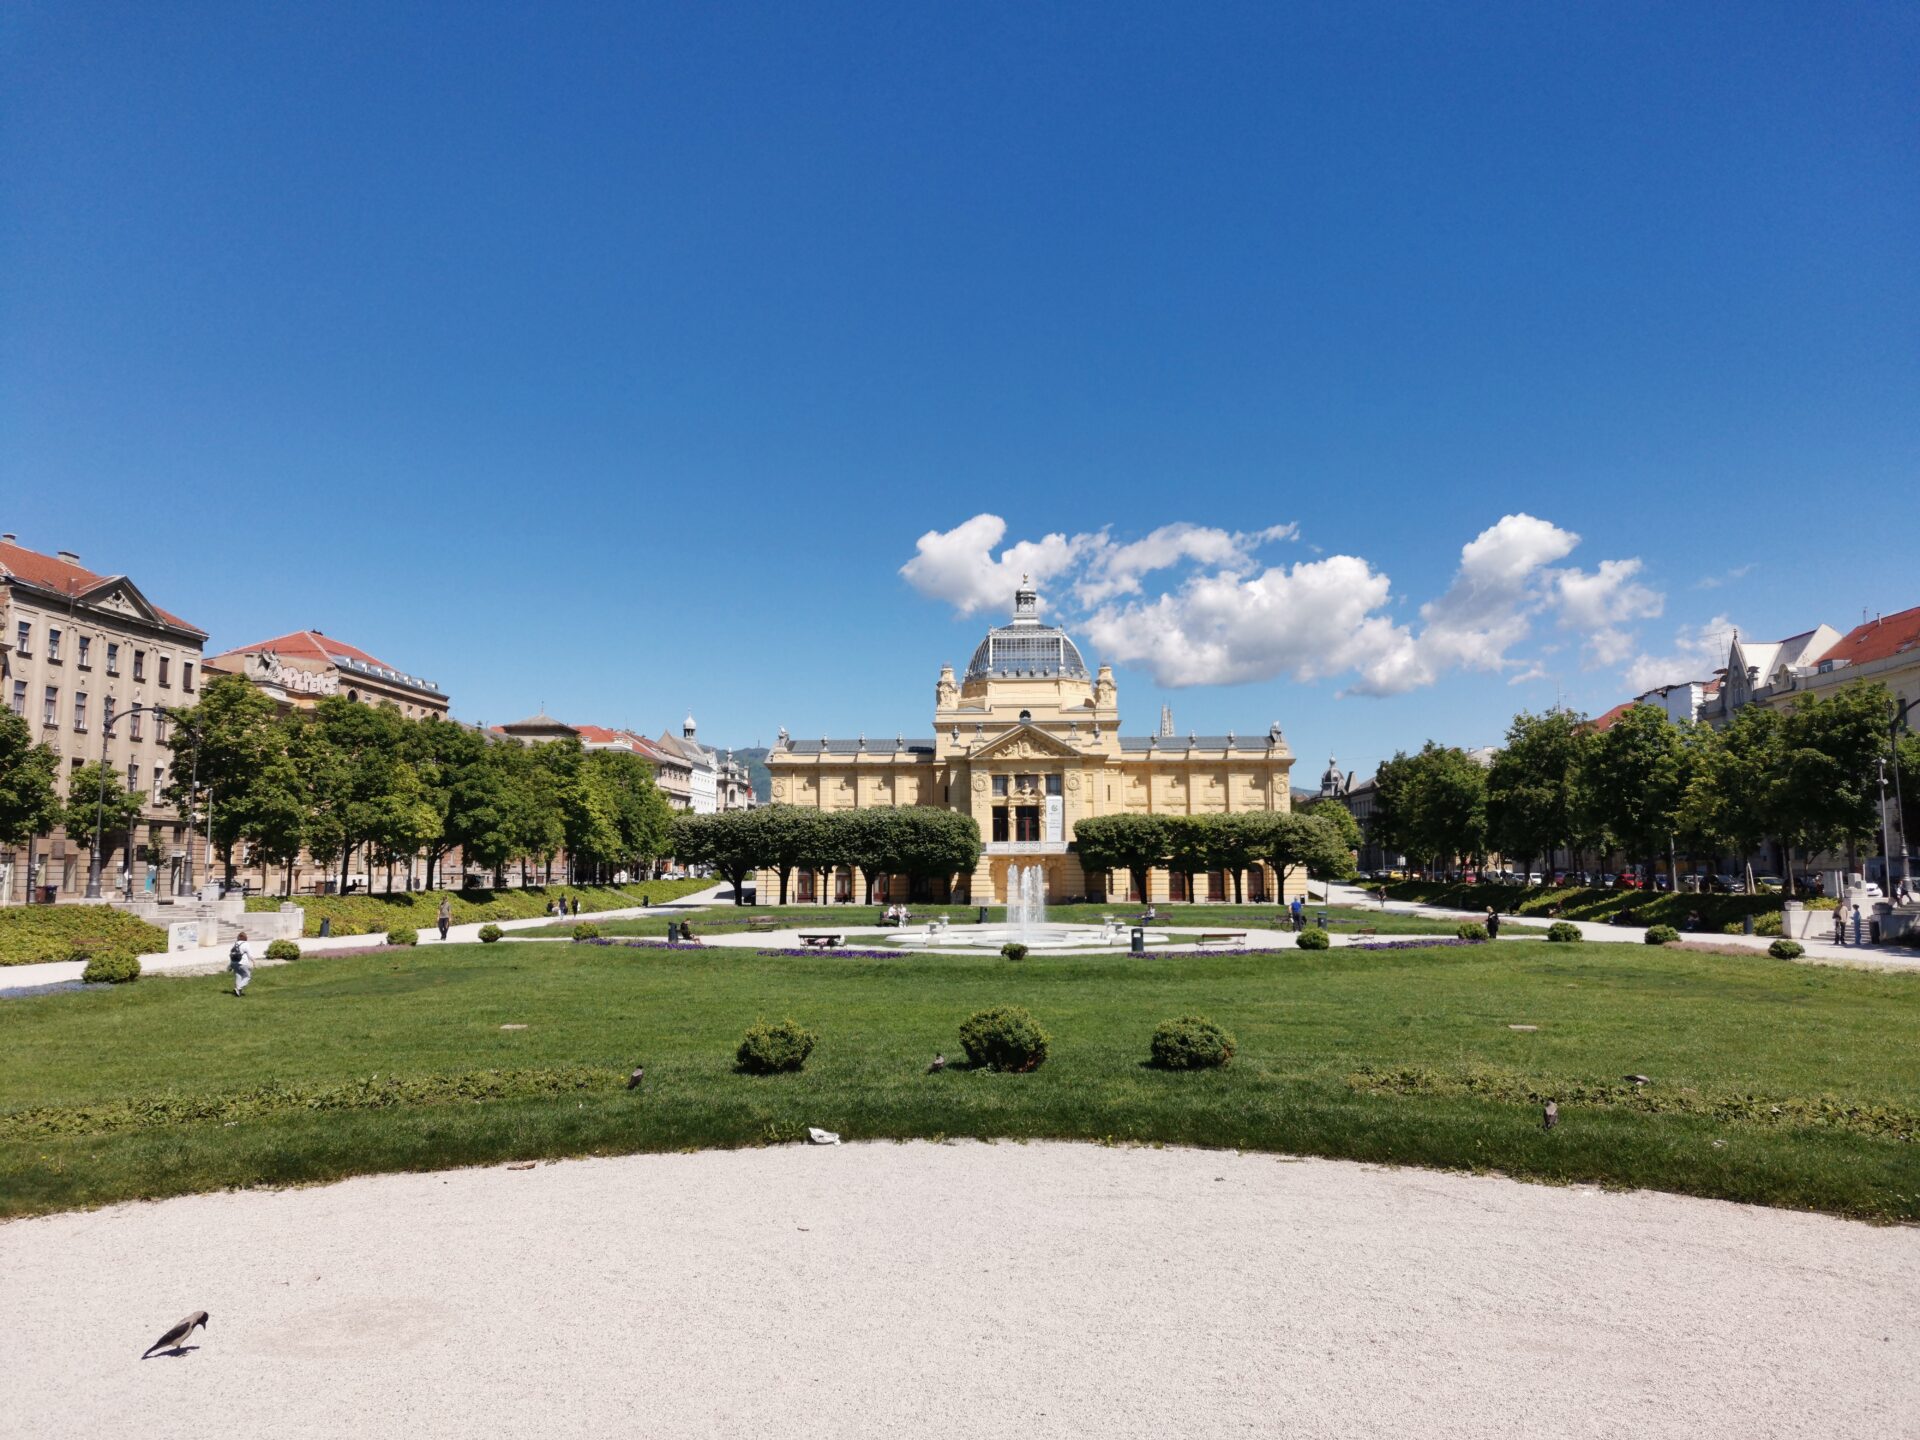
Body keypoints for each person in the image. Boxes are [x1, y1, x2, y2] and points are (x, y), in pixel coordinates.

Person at [228, 931, 254, 998]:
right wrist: (253, 960)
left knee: (238, 975)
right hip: (243, 963)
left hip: (234, 962)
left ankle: (238, 991)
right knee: (247, 976)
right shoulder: (246, 944)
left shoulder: (235, 943)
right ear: (245, 938)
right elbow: (249, 954)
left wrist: (230, 965)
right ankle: (238, 988)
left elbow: (231, 954)